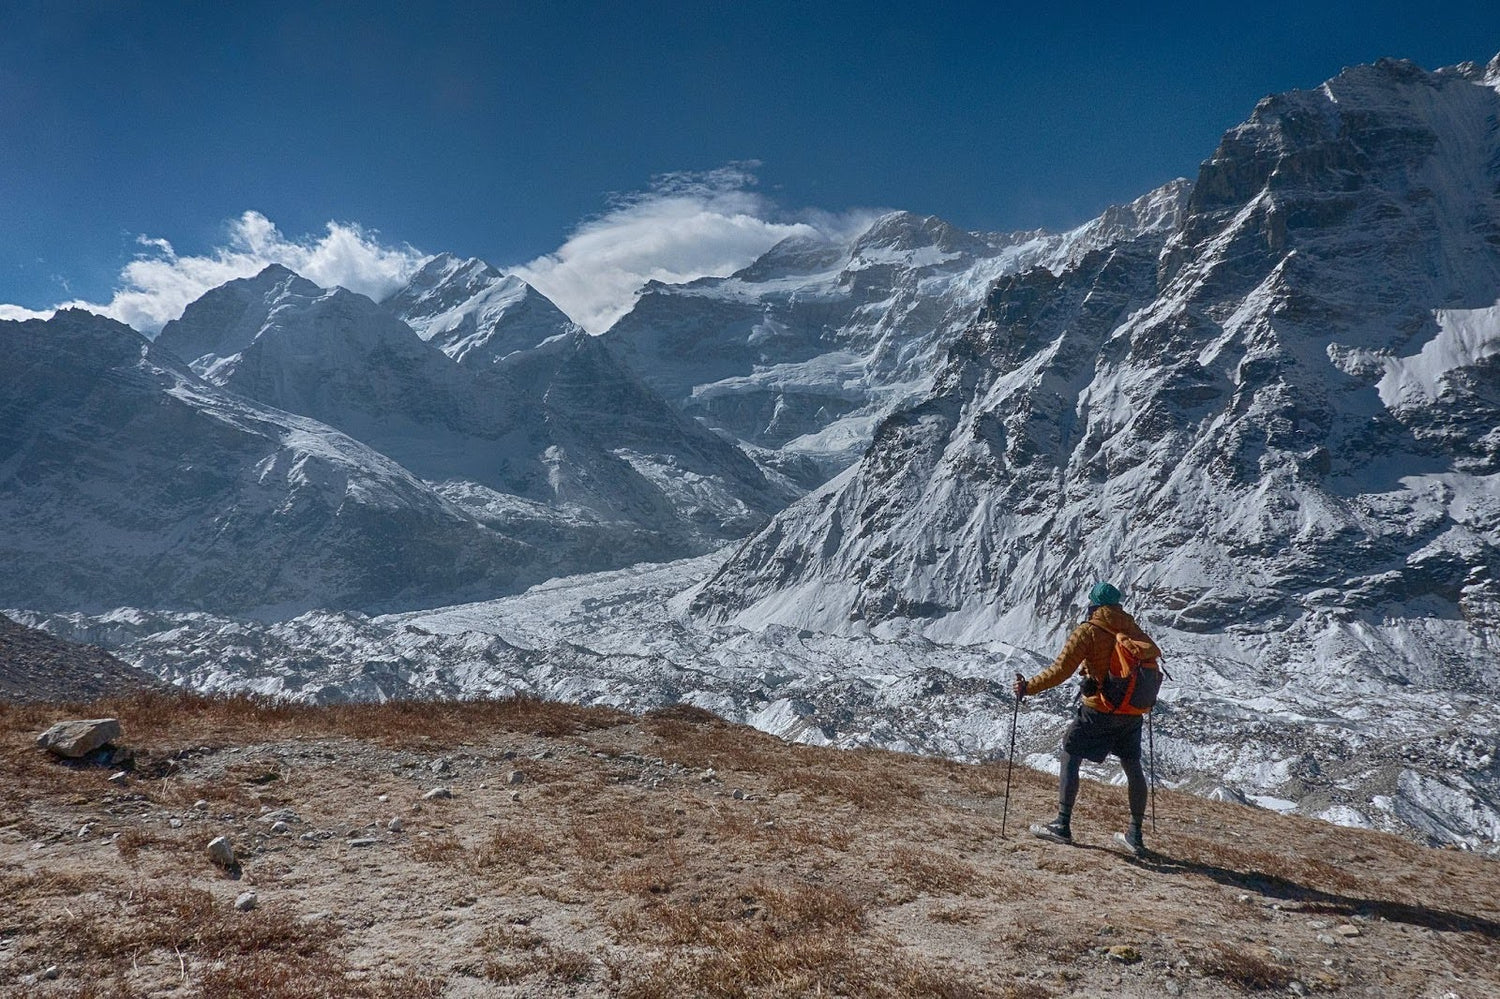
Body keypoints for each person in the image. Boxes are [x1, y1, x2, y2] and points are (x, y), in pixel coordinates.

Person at [1012, 581, 1160, 855]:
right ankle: (1135, 834)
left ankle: (1062, 824)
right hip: (1132, 712)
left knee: (1071, 751)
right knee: (1132, 766)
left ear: (1093, 604)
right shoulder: (1132, 629)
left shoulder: (1088, 631)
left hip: (1098, 710)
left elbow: (1060, 670)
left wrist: (1028, 687)